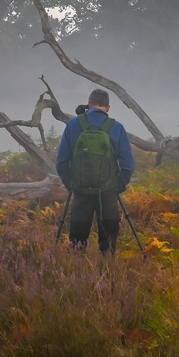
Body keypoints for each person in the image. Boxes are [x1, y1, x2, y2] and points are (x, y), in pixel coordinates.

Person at [55, 88, 135, 254]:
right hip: (108, 192)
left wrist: (71, 184)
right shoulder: (117, 127)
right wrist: (118, 186)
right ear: (108, 107)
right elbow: (128, 164)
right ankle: (108, 270)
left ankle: (76, 272)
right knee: (108, 243)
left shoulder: (73, 124)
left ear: (89, 104)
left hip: (81, 190)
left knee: (77, 243)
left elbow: (61, 162)